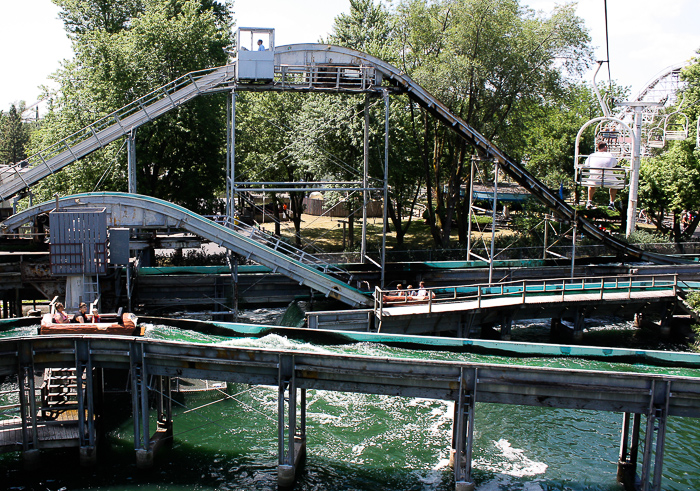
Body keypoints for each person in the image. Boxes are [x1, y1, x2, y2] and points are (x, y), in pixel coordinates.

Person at [584, 142, 619, 210]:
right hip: (608, 181)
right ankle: (611, 203)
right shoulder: (610, 155)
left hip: (595, 180)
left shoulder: (592, 155)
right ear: (605, 147)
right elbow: (615, 164)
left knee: (591, 181)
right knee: (615, 183)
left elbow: (586, 164)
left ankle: (589, 201)